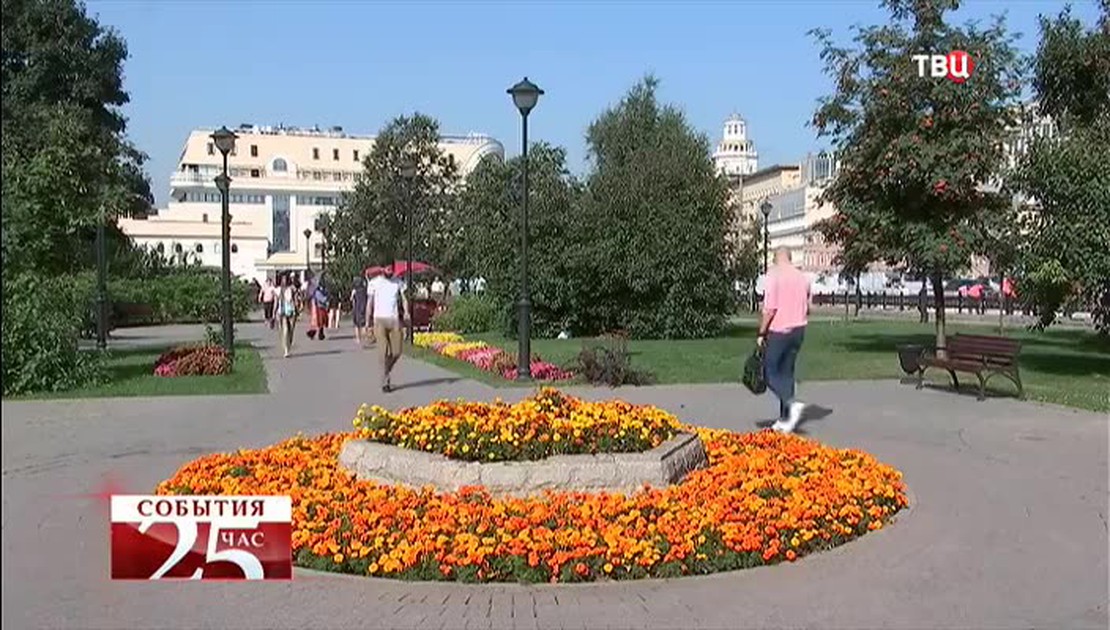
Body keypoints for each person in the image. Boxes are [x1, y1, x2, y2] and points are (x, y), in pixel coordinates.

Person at [757, 247, 811, 434]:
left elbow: (770, 309)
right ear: (789, 257)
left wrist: (761, 333)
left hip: (779, 330)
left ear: (775, 258)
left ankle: (790, 404)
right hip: (798, 330)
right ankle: (785, 418)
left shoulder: (774, 275)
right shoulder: (802, 277)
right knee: (787, 374)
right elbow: (808, 306)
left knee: (769, 372)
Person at [367, 266, 406, 393]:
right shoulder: (374, 283)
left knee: (396, 352)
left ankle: (386, 370)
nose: (390, 271)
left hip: (394, 320)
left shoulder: (398, 282)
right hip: (379, 320)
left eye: (391, 269)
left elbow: (404, 298)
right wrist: (367, 323)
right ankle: (385, 380)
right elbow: (370, 303)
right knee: (384, 352)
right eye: (388, 269)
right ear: (382, 269)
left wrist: (406, 312)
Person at [275, 273, 298, 358]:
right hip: (282, 311)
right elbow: (276, 301)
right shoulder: (278, 290)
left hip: (292, 311)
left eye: (285, 279)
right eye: (283, 279)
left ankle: (289, 344)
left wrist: (297, 308)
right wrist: (274, 312)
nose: (284, 281)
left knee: (291, 330)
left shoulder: (292, 289)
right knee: (285, 330)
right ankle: (286, 350)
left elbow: (296, 300)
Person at [350, 273, 369, 346]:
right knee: (363, 324)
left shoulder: (354, 291)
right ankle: (365, 338)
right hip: (363, 308)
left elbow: (351, 299)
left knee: (356, 325)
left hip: (356, 308)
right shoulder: (365, 290)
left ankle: (358, 339)